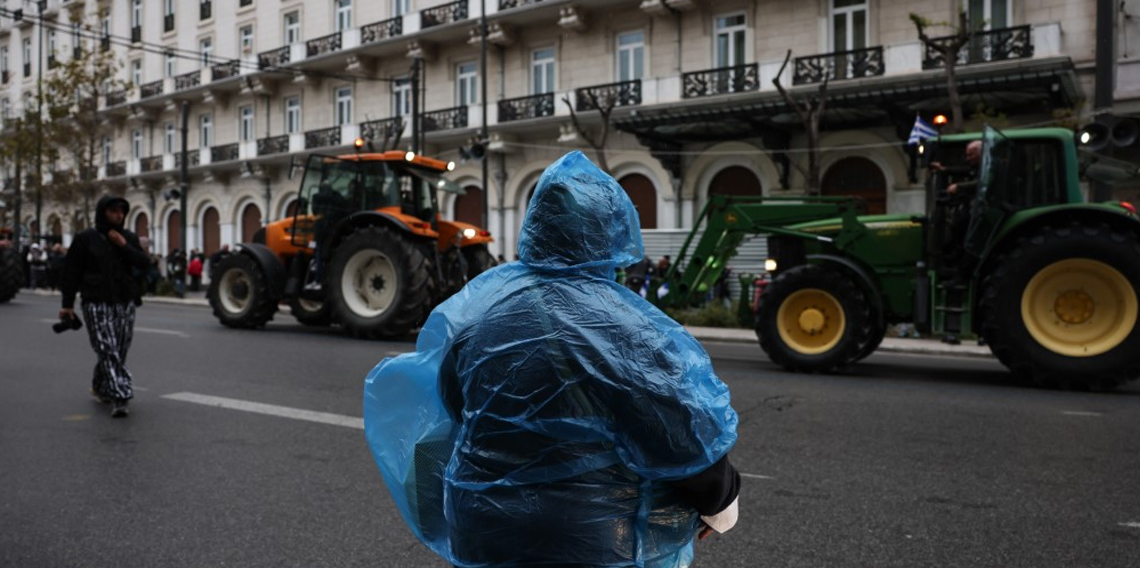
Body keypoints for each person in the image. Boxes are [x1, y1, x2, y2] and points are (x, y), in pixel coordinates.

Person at [364, 151, 740, 568]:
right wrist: (718, 500)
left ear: (537, 229)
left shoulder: (479, 316)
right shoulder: (632, 330)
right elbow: (683, 437)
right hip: (592, 542)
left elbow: (455, 408)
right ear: (612, 233)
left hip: (482, 530)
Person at [59, 195, 150, 418]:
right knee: (106, 347)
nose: (118, 215)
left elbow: (144, 263)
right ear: (103, 212)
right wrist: (67, 305)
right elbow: (71, 273)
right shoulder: (85, 239)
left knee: (119, 349)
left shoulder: (127, 237)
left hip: (124, 301)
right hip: (95, 302)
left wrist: (124, 245)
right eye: (113, 211)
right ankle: (120, 395)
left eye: (122, 211)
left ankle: (100, 386)